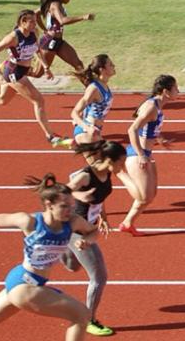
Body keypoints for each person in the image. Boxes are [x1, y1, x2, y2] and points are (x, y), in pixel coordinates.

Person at [0, 173, 107, 341]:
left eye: (71, 205)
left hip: (31, 283)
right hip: (23, 284)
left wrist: (86, 240)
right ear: (49, 205)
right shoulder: (29, 221)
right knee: (82, 315)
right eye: (64, 206)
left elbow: (93, 231)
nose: (70, 210)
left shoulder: (73, 222)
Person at [0, 9, 72, 148]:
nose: (35, 24)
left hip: (23, 71)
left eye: (35, 20)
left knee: (1, 100)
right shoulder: (13, 37)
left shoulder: (34, 32)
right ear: (23, 22)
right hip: (14, 72)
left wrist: (46, 67)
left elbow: (37, 49)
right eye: (32, 21)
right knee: (39, 101)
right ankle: (50, 136)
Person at [60, 140, 126, 336]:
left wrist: (103, 217)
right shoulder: (84, 176)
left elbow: (100, 198)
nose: (122, 167)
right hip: (78, 231)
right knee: (99, 277)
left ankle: (60, 245)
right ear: (108, 160)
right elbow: (62, 190)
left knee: (73, 267)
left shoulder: (106, 173)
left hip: (86, 227)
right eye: (121, 163)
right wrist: (79, 197)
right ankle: (88, 320)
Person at [118, 75, 179, 236]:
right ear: (166, 91)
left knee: (151, 195)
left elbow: (149, 128)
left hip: (146, 153)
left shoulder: (157, 105)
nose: (178, 91)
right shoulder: (151, 106)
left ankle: (127, 223)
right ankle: (119, 172)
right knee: (144, 196)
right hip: (137, 154)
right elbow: (132, 130)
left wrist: (160, 139)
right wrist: (140, 155)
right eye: (175, 88)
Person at [30, 0, 95, 78]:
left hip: (58, 42)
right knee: (37, 74)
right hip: (49, 42)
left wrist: (44, 28)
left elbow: (36, 14)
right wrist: (83, 17)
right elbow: (62, 21)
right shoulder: (54, 5)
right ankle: (11, 71)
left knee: (79, 65)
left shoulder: (54, 4)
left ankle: (90, 90)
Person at [70, 54, 117, 145]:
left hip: (95, 130)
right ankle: (73, 143)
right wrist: (87, 128)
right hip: (86, 132)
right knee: (109, 157)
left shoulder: (104, 85)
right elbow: (74, 113)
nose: (114, 66)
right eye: (110, 64)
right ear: (102, 69)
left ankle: (70, 143)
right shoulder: (94, 88)